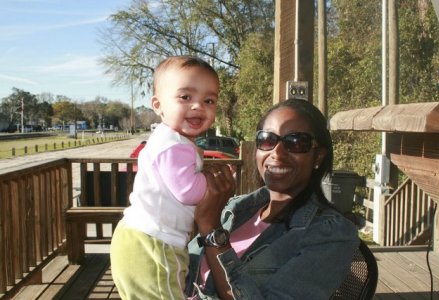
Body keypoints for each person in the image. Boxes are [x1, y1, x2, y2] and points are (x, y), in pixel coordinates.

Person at [186, 98, 360, 299]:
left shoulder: (331, 233)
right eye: (267, 140)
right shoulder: (234, 209)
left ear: (318, 156)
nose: (276, 153)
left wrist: (212, 232)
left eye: (296, 142)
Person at [110, 55, 223, 300]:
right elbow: (188, 191)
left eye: (209, 100)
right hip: (153, 243)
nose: (198, 106)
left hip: (142, 238)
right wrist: (213, 181)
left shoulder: (169, 139)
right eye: (185, 97)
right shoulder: (175, 145)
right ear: (158, 105)